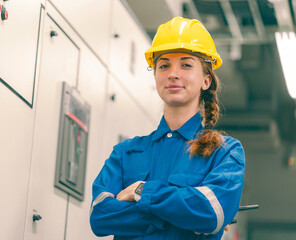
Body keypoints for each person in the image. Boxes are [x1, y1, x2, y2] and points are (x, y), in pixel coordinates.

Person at [89, 16, 245, 240]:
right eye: (164, 65)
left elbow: (212, 214)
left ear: (206, 81)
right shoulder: (125, 153)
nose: (173, 73)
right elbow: (100, 217)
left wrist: (142, 191)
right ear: (156, 76)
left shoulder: (225, 152)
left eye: (186, 65)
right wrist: (181, 216)